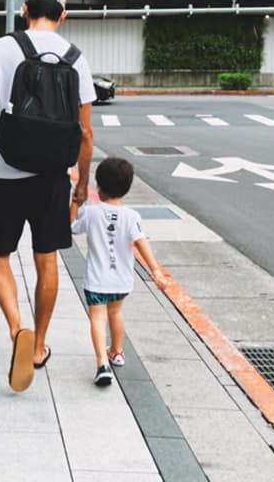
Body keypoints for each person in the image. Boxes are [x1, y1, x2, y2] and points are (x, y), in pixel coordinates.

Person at [0, 0, 96, 392]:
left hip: (7, 172)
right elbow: (85, 132)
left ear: (24, 10)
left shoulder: (1, 48)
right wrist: (82, 182)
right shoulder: (76, 58)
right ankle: (40, 345)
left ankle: (18, 328)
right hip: (53, 176)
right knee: (46, 259)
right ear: (63, 16)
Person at [70, 157, 168, 386]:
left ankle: (102, 364)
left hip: (96, 280)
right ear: (126, 188)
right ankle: (117, 351)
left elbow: (72, 228)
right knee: (115, 313)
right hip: (122, 281)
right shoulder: (132, 216)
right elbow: (141, 242)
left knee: (97, 317)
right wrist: (155, 270)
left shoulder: (91, 213)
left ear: (99, 185)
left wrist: (75, 203)